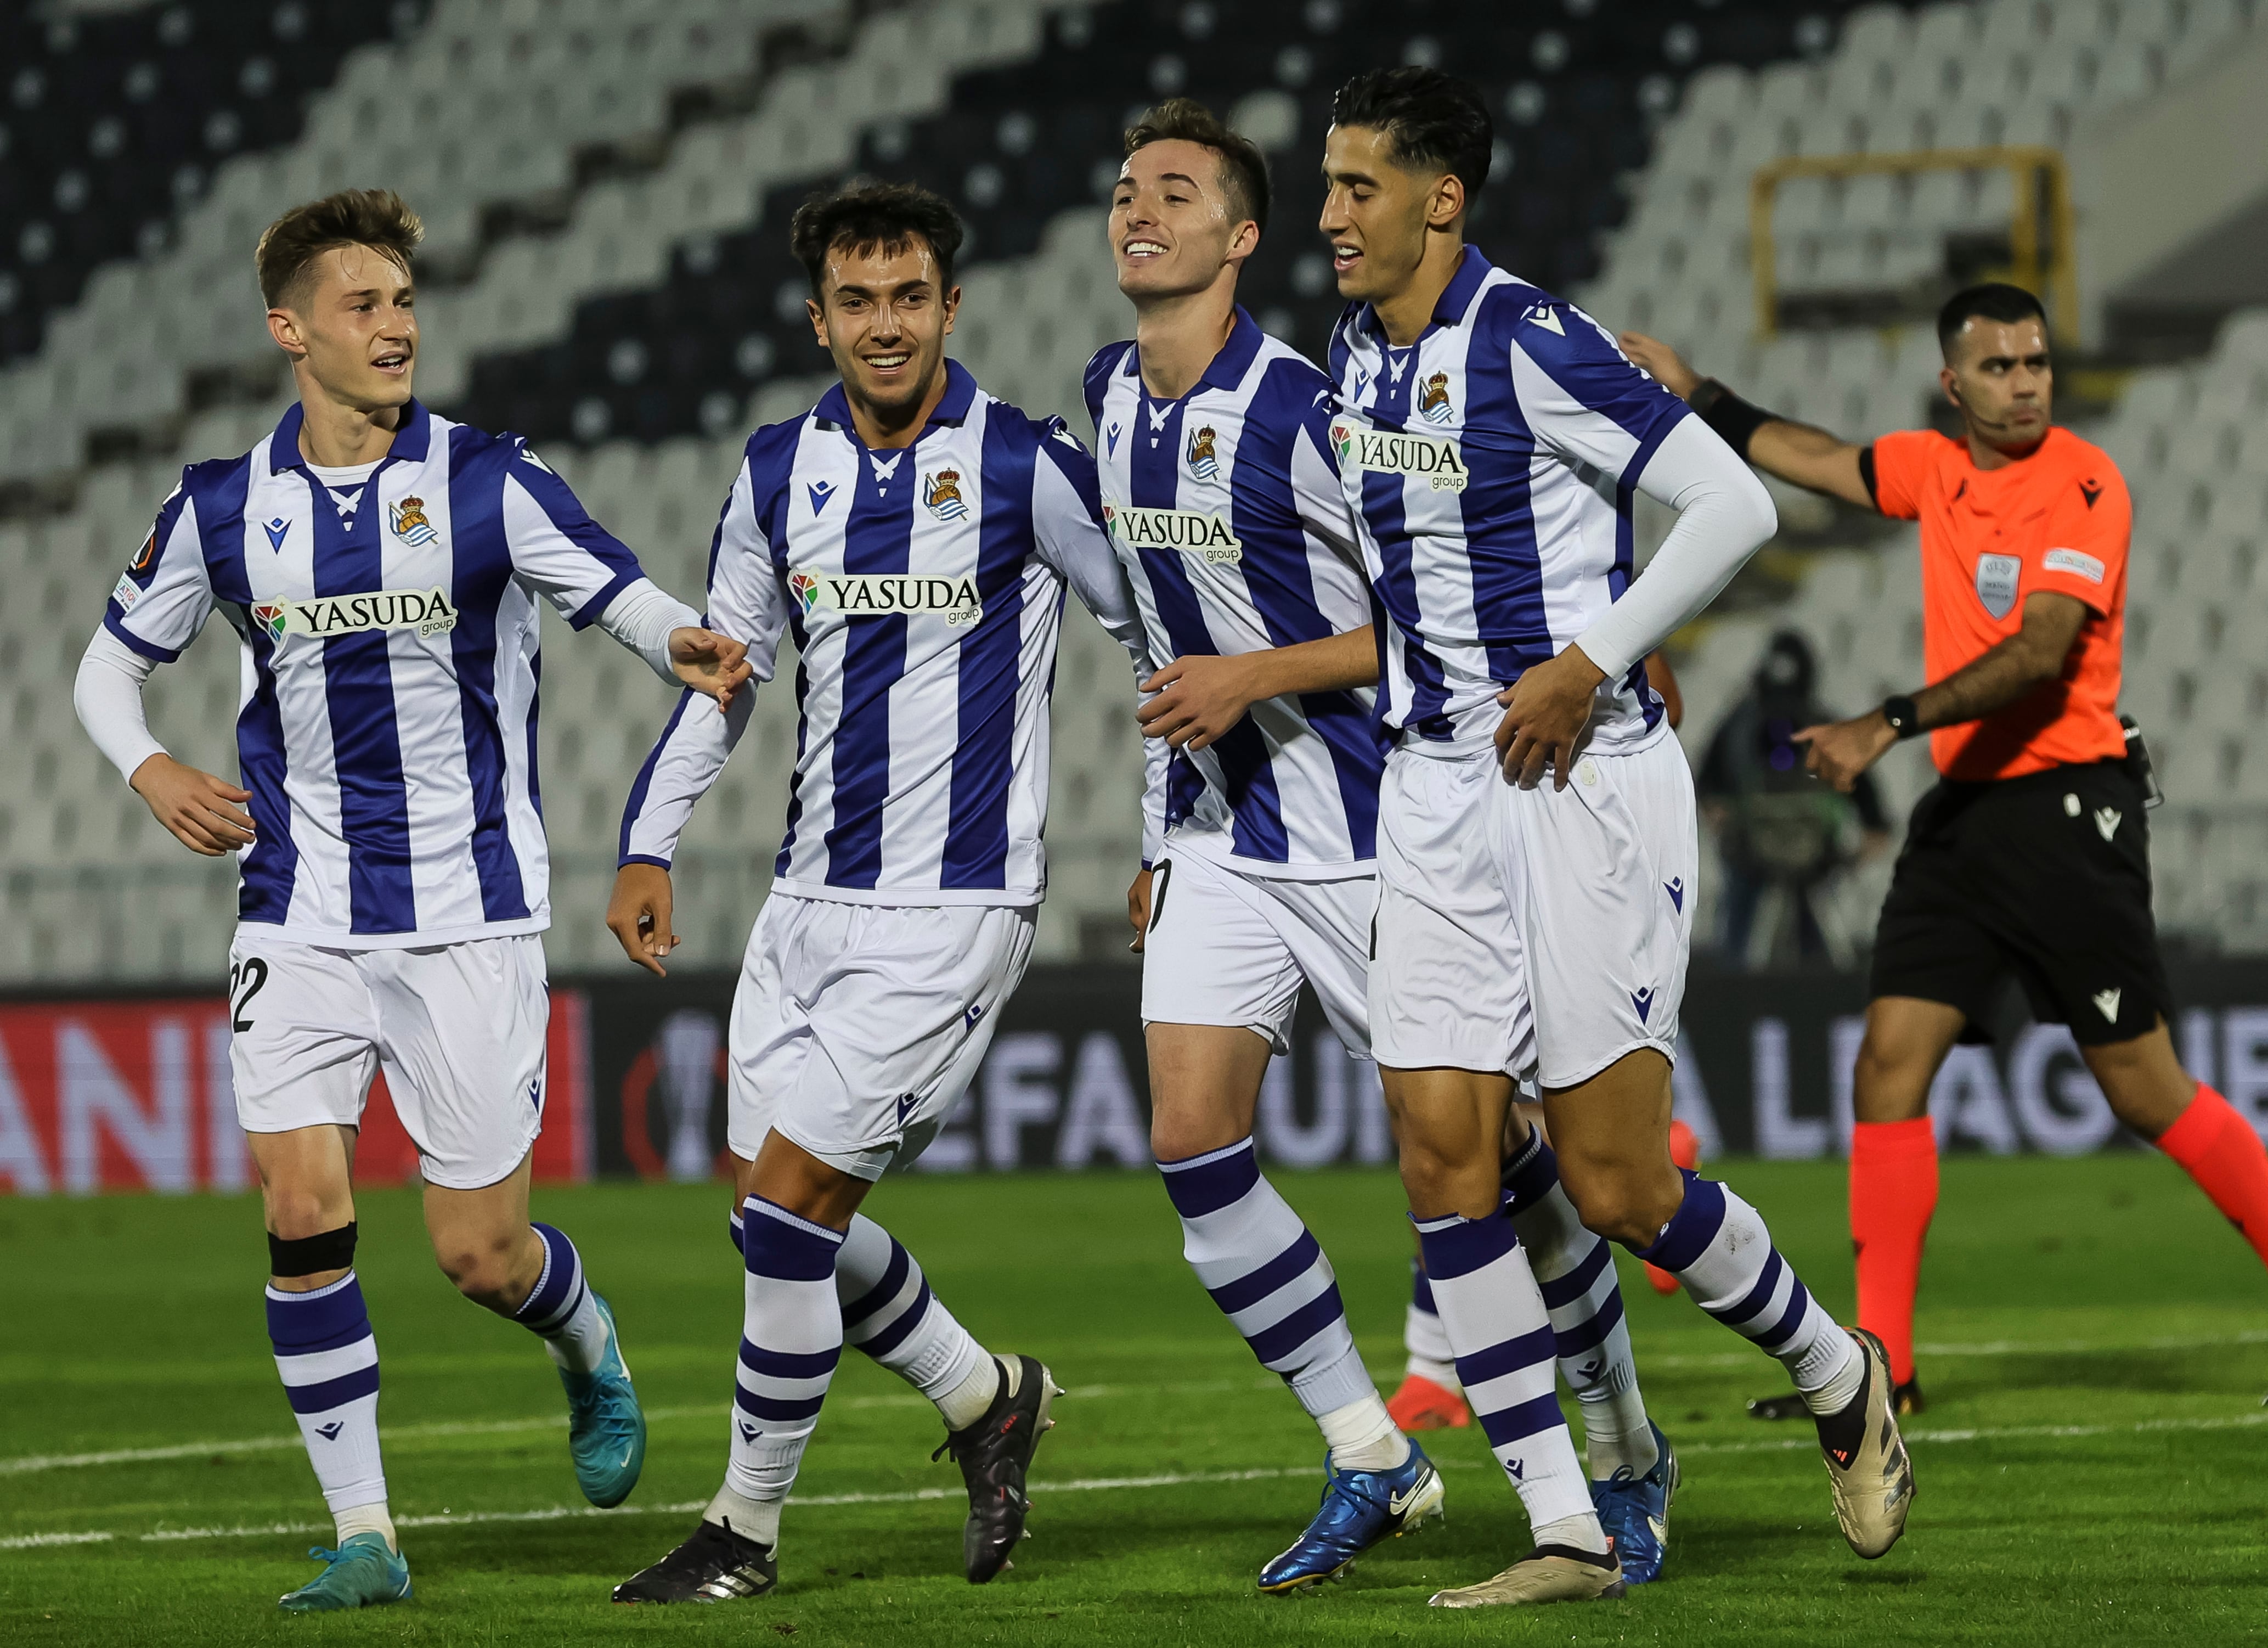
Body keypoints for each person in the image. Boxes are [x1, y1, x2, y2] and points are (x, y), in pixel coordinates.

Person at [70, 189, 752, 1612]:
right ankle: (367, 1533)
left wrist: (677, 639)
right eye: (363, 305)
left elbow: (619, 594)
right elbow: (102, 667)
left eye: (402, 302)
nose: (395, 327)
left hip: (468, 919)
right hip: (296, 909)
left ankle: (582, 1339)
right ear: (290, 329)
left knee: (474, 1252)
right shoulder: (220, 507)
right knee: (302, 1203)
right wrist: (146, 768)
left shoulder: (491, 480)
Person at [1320, 68, 1914, 1606]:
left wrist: (1586, 660)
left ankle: (1834, 1367)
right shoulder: (1347, 353)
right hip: (1432, 791)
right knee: (1440, 1156)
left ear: (1438, 200)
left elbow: (1731, 509)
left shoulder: (1528, 341)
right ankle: (1567, 1525)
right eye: (1324, 187)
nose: (1327, 217)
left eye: (1357, 188)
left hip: (1576, 791)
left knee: (1615, 1188)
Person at [1096, 98, 1677, 1593]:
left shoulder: (1299, 406)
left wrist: (1258, 676)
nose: (1132, 208)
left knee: (1501, 1163)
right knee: (1188, 1141)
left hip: (1369, 818)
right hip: (1223, 833)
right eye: (1121, 189)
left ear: (1240, 237)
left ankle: (1615, 1442)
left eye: (1171, 189)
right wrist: (1162, 823)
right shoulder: (1105, 396)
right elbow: (1158, 642)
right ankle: (1371, 1451)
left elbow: (1405, 622)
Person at [606, 181, 1152, 1605]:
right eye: (857, 301)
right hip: (804, 908)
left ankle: (742, 1531)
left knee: (789, 1221)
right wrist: (648, 841)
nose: (885, 323)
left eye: (908, 296)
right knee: (767, 1222)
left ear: (949, 307)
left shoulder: (1027, 463)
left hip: (955, 910)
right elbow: (723, 679)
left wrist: (1176, 824)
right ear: (820, 319)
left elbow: (1163, 641)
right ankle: (986, 1398)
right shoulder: (778, 472)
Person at [1623, 283, 2268, 1418]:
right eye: (2000, 365)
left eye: (2036, 362)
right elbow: (1824, 462)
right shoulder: (1939, 467)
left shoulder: (2083, 483)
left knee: (2146, 1090)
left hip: (2070, 808)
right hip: (1967, 816)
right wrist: (1705, 397)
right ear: (1952, 383)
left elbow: (2042, 653)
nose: (2025, 382)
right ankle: (1885, 1365)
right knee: (1888, 1065)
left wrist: (1886, 721)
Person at [1696, 629, 1889, 968]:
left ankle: (1811, 992)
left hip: (1812, 866)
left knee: (1807, 938)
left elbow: (1870, 804)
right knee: (1740, 931)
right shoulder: (1740, 729)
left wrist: (1865, 836)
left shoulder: (1817, 730)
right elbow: (1708, 789)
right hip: (1752, 861)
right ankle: (1736, 993)